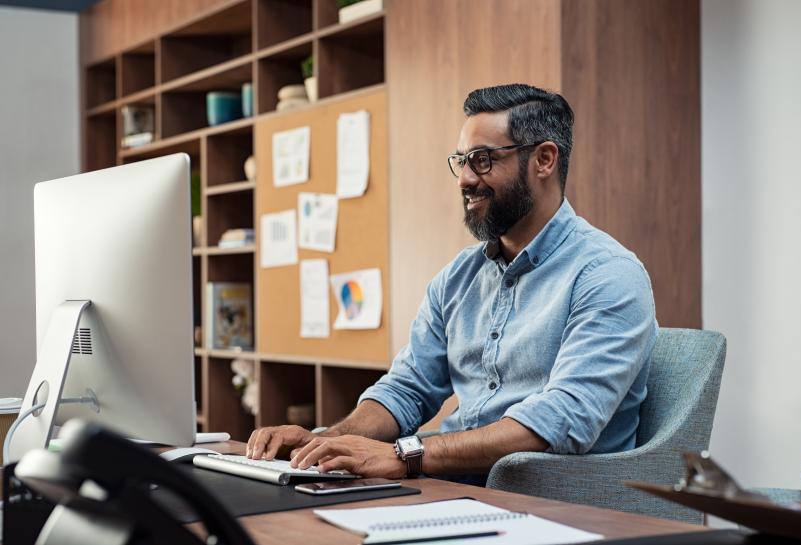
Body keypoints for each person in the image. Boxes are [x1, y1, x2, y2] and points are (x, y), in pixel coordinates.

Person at [246, 84, 658, 484]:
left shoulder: (608, 274)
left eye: (481, 160)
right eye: (460, 161)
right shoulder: (458, 277)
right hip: (451, 487)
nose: (463, 179)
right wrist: (325, 443)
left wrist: (406, 455)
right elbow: (408, 388)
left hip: (552, 505)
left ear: (544, 160)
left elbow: (561, 419)